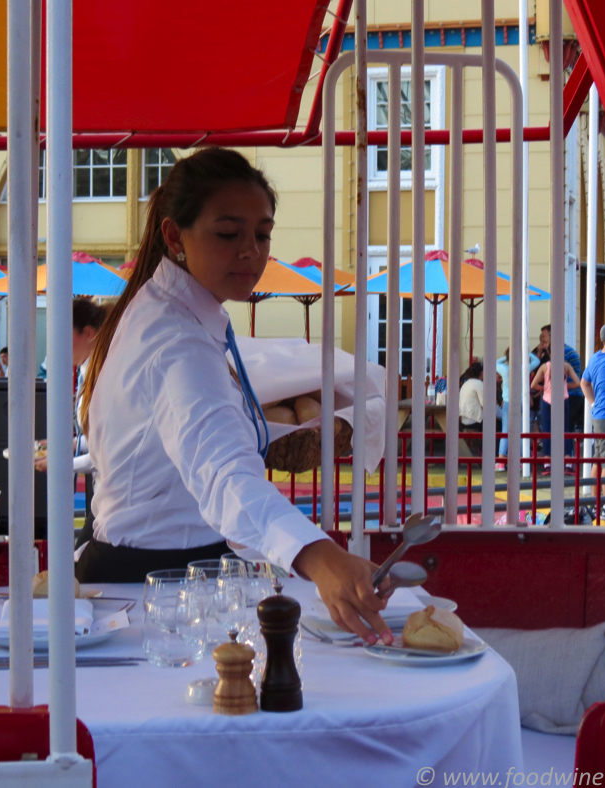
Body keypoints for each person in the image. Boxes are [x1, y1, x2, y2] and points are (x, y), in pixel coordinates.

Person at [76, 147, 394, 644]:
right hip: (156, 585)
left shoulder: (166, 311)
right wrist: (318, 554)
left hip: (148, 568)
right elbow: (224, 474)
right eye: (228, 234)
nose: (252, 251)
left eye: (262, 234)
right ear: (174, 236)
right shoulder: (176, 340)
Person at [35, 297, 108, 548]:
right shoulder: (89, 369)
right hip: (105, 495)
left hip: (116, 497)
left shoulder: (104, 374)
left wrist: (63, 462)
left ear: (88, 333)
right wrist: (68, 444)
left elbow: (110, 449)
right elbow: (100, 438)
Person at [580, 322, 605, 519]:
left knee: (599, 458)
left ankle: (593, 503)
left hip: (599, 415)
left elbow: (584, 382)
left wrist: (593, 403)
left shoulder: (595, 358)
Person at [530, 358, 582, 463]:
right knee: (565, 429)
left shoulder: (544, 366)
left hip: (547, 400)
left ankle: (547, 460)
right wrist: (565, 386)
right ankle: (567, 459)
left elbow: (533, 385)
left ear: (549, 353)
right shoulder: (566, 366)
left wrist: (545, 388)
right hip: (563, 399)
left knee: (547, 430)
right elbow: (577, 383)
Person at [495, 346, 540, 458]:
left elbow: (495, 362)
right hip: (521, 402)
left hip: (507, 402)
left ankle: (501, 456)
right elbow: (537, 361)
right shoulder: (524, 368)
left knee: (506, 430)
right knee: (521, 430)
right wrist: (526, 351)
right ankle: (519, 456)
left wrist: (506, 356)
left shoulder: (504, 369)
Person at [538, 324, 585, 432]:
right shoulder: (564, 350)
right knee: (565, 430)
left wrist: (548, 387)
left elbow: (555, 375)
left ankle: (564, 449)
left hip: (569, 395)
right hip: (572, 394)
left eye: (544, 336)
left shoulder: (560, 353)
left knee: (563, 430)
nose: (542, 340)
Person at [459, 361, 484, 456]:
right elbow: (485, 404)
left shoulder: (466, 384)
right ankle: (495, 455)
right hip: (475, 421)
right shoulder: (479, 384)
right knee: (498, 425)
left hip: (464, 420)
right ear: (481, 373)